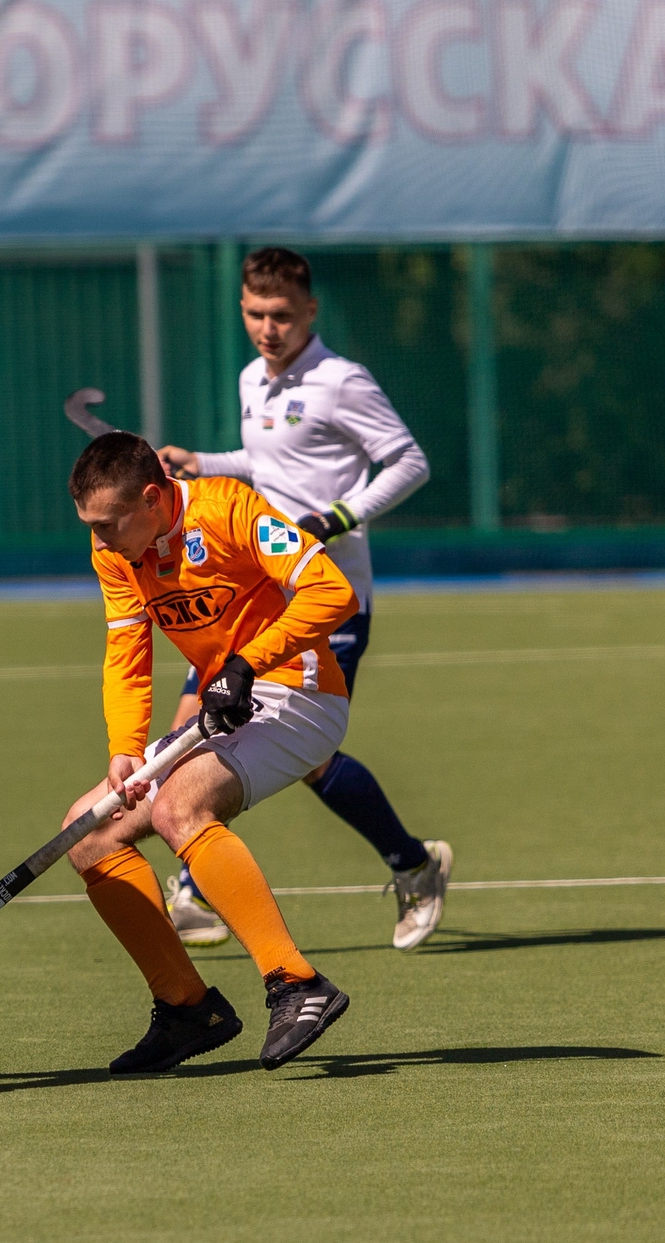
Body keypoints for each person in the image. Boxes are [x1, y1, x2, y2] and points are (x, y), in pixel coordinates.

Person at [158, 246, 450, 951]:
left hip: (327, 599)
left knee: (308, 756)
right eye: (256, 314)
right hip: (252, 597)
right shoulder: (251, 378)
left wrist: (338, 517)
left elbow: (410, 461)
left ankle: (414, 864)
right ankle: (194, 887)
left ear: (310, 311)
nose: (268, 328)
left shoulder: (341, 381)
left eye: (282, 316)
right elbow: (269, 465)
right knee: (191, 725)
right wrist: (201, 463)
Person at [64, 431, 351, 1074]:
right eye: (91, 526)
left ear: (153, 498)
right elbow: (127, 650)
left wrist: (248, 663)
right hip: (227, 705)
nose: (100, 540)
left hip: (301, 693)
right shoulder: (116, 552)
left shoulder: (228, 510)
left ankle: (296, 982)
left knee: (179, 807)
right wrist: (125, 747)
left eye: (109, 523)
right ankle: (188, 1008)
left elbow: (332, 591)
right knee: (88, 832)